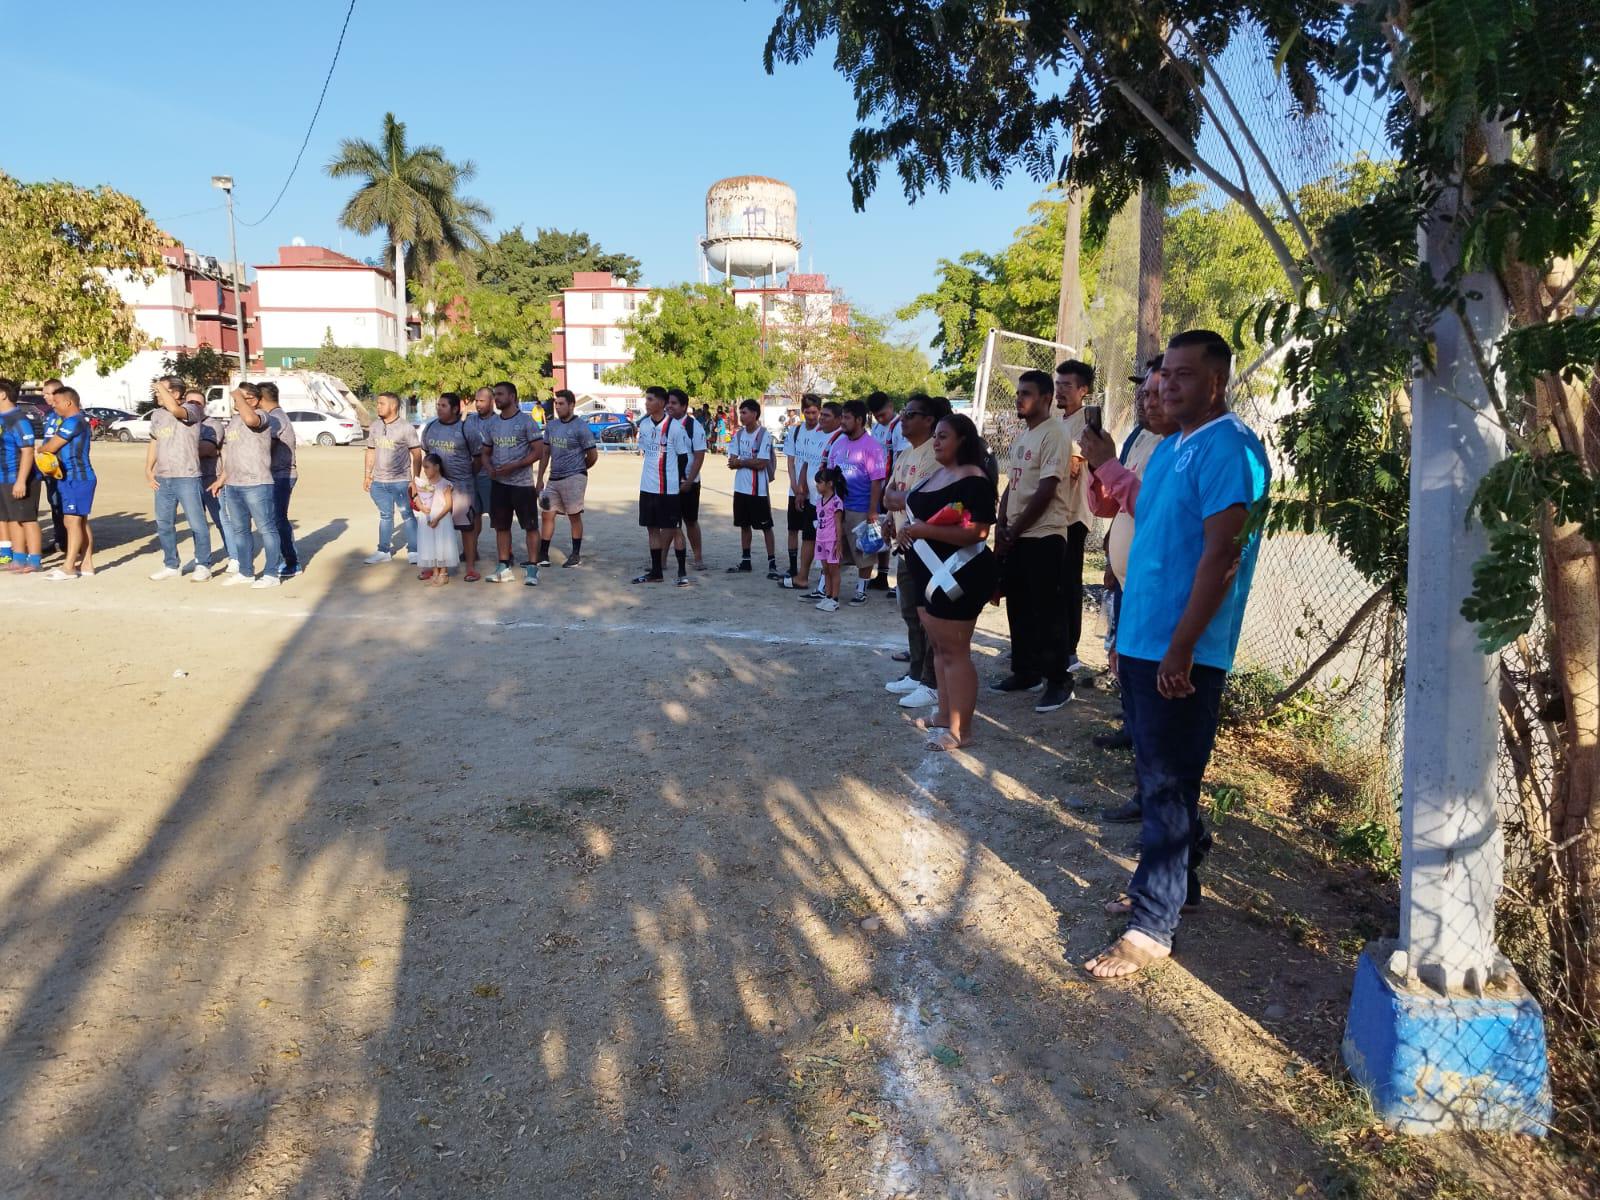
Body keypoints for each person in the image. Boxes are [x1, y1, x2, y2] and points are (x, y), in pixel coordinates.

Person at [1080, 330, 1271, 981]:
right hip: (1140, 641)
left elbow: (1222, 555)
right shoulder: (1169, 450)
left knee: (1166, 783)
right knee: (1160, 776)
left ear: (1216, 381)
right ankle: (1173, 887)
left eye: (1183, 375)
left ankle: (1150, 926)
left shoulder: (1232, 449)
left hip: (1183, 651)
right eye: (1163, 376)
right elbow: (1148, 526)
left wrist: (1181, 648)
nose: (1166, 385)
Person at [896, 414, 999, 752]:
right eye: (936, 436)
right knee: (940, 650)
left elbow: (978, 531)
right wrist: (899, 527)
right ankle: (944, 714)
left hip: (959, 575)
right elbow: (914, 513)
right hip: (928, 575)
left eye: (943, 436)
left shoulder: (974, 480)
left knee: (955, 652)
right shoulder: (937, 473)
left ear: (962, 441)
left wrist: (925, 531)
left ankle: (961, 729)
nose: (936, 441)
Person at [1091, 355, 1172, 779]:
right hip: (1125, 573)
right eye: (1141, 391)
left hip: (1151, 578)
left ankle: (1149, 756)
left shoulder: (1174, 445)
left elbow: (1151, 508)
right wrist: (1096, 466)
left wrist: (1107, 467)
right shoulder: (1140, 436)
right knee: (1125, 655)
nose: (1145, 399)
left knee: (1144, 665)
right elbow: (1114, 500)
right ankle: (1131, 725)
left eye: (1155, 391)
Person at [993, 369, 1076, 713]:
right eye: (1018, 393)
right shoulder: (1023, 435)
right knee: (1019, 607)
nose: (1019, 398)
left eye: (1026, 393)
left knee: (1046, 611)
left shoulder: (1055, 433)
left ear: (1045, 398)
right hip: (1018, 534)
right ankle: (1024, 671)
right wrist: (1002, 523)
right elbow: (1013, 487)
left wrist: (1017, 527)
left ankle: (1059, 680)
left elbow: (1046, 489)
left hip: (1044, 534)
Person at [882, 393, 948, 710]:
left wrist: (900, 499)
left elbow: (915, 500)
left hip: (928, 547)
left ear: (928, 421)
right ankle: (916, 672)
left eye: (911, 413)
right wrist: (888, 515)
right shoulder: (906, 454)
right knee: (910, 612)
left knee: (927, 616)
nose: (903, 419)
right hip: (905, 545)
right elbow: (889, 496)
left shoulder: (933, 455)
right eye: (904, 413)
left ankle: (932, 682)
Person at [211, 381, 282, 589]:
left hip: (256, 483)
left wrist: (240, 398)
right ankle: (246, 571)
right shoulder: (233, 421)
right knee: (240, 530)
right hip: (234, 485)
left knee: (266, 529)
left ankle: (271, 573)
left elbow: (251, 419)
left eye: (242, 397)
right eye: (236, 398)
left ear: (255, 399)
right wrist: (222, 479)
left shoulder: (263, 416)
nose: (236, 401)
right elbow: (230, 454)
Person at [143, 374, 213, 582]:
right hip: (164, 478)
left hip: (187, 476)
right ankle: (171, 564)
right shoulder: (157, 415)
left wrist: (160, 386)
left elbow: (175, 410)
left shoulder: (192, 409)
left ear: (175, 392)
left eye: (161, 391)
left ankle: (203, 564)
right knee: (164, 523)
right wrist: (149, 468)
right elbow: (154, 442)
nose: (157, 394)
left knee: (197, 523)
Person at [823, 398, 888, 606]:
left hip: (862, 507)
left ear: (859, 420)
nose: (842, 421)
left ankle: (861, 590)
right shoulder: (838, 443)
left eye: (847, 418)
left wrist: (872, 511)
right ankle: (828, 587)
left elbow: (877, 481)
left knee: (864, 552)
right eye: (842, 416)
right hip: (839, 506)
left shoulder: (873, 447)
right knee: (836, 547)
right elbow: (831, 474)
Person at [480, 380, 546, 585]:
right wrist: (489, 467)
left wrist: (514, 466)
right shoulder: (493, 424)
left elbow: (538, 451)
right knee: (501, 527)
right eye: (495, 394)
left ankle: (533, 569)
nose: (496, 398)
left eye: (500, 394)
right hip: (500, 485)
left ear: (512, 397)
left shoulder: (526, 422)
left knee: (530, 526)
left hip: (522, 484)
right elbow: (485, 451)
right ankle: (503, 567)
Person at [1054, 359, 1096, 669]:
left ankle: (1070, 650)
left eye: (1067, 385)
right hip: (1051, 515)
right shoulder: (1056, 422)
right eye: (1058, 384)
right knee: (1049, 583)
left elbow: (1082, 462)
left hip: (1074, 513)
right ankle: (1048, 644)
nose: (1060, 390)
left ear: (1083, 390)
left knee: (1068, 582)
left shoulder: (1088, 423)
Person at [632, 385, 692, 585]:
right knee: (652, 529)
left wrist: (682, 478)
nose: (646, 403)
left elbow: (683, 457)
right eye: (646, 399)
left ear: (661, 402)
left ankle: (682, 573)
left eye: (650, 399)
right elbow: (646, 452)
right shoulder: (645, 425)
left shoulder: (675, 427)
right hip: (647, 487)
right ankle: (656, 572)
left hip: (668, 489)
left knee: (675, 529)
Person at [37, 386, 95, 580]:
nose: (54, 406)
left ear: (69, 402)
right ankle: (86, 564)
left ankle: (69, 566)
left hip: (76, 478)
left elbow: (51, 446)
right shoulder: (76, 421)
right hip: (74, 478)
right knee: (80, 521)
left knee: (71, 521)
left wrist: (42, 449)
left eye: (57, 402)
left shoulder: (72, 422)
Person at [536, 388, 598, 567]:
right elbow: (545, 453)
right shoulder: (552, 426)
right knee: (547, 514)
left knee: (574, 515)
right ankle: (543, 554)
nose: (557, 407)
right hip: (554, 478)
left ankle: (575, 554)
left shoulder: (580, 427)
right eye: (556, 403)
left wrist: (579, 470)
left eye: (561, 403)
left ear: (572, 405)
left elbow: (592, 455)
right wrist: (540, 478)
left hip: (574, 478)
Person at [421, 392, 479, 580]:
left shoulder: (466, 429)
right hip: (436, 488)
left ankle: (470, 567)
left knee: (466, 529)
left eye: (443, 406)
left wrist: (466, 477)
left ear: (455, 409)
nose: (439, 408)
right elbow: (427, 455)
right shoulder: (430, 428)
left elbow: (478, 458)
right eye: (438, 405)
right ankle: (432, 566)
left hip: (462, 487)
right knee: (434, 526)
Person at [364, 392, 422, 565]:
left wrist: (415, 480)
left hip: (400, 481)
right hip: (379, 482)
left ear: (393, 406)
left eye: (382, 403)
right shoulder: (375, 426)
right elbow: (371, 450)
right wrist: (367, 475)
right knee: (385, 516)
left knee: (407, 515)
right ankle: (383, 551)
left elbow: (417, 454)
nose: (378, 406)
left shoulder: (405, 428)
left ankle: (414, 550)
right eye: (378, 403)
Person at [725, 398, 780, 577]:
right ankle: (746, 560)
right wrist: (741, 462)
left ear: (755, 414)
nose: (741, 416)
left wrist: (741, 462)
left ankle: (772, 563)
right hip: (741, 488)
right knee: (744, 525)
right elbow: (732, 461)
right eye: (741, 413)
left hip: (758, 489)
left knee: (766, 526)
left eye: (744, 412)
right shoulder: (739, 434)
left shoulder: (764, 434)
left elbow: (762, 463)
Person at [778, 394, 826, 591]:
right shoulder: (795, 431)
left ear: (820, 411)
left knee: (812, 532)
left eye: (814, 412)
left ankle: (814, 574)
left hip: (814, 492)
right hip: (796, 488)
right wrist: (795, 485)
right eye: (807, 412)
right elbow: (791, 461)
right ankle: (793, 567)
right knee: (793, 529)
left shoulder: (823, 432)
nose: (811, 415)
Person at [257, 381, 299, 579]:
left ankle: (291, 562)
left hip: (280, 476)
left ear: (261, 399)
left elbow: (266, 446)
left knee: (277, 520)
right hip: (278, 475)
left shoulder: (274, 418)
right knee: (277, 519)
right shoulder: (277, 416)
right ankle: (289, 557)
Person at [0, 378, 42, 574]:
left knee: (27, 519)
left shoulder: (18, 419)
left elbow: (27, 451)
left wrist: (21, 481)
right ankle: (18, 558)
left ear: (3, 394)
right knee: (11, 519)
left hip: (20, 477)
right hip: (3, 478)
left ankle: (34, 561)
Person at [665, 389, 709, 570]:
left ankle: (698, 558)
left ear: (684, 406)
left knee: (690, 521)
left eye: (674, 403)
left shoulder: (694, 427)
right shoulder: (664, 425)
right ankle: (661, 560)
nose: (670, 406)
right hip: (668, 481)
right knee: (668, 522)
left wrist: (689, 481)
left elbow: (699, 456)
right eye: (668, 402)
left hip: (688, 482)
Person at [867, 391, 905, 592]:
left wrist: (893, 489)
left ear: (891, 406)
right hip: (879, 487)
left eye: (882, 414)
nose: (880, 419)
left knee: (898, 532)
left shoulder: (899, 427)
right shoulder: (876, 428)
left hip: (894, 488)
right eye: (876, 415)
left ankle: (901, 582)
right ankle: (882, 575)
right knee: (883, 531)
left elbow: (900, 461)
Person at [462, 386, 497, 580]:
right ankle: (471, 551)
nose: (478, 404)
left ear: (491, 401)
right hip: (470, 475)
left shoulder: (498, 422)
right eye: (476, 400)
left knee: (497, 515)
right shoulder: (469, 421)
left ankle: (505, 552)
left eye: (482, 401)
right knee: (472, 515)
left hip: (491, 476)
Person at [197, 397, 233, 570]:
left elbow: (207, 448)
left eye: (198, 402)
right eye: (189, 402)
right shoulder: (182, 425)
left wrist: (180, 447)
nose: (194, 406)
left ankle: (234, 557)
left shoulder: (213, 425)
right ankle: (202, 562)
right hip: (189, 479)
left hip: (212, 478)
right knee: (197, 523)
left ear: (204, 405)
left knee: (222, 520)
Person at [412, 452, 456, 586]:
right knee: (431, 544)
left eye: (427, 467)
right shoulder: (423, 484)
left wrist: (437, 518)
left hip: (441, 518)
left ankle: (443, 572)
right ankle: (435, 571)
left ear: (436, 467)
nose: (424, 470)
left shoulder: (444, 484)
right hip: (428, 517)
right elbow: (417, 499)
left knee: (442, 544)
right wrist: (421, 507)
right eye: (424, 467)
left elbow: (448, 504)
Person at [811, 465, 846, 612]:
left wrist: (839, 542)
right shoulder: (819, 502)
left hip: (832, 540)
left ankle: (835, 598)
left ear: (830, 484)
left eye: (820, 482)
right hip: (821, 539)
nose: (817, 486)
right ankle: (828, 595)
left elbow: (838, 524)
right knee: (825, 569)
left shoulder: (837, 502)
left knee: (834, 570)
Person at [39, 378, 66, 558]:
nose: (45, 397)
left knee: (65, 507)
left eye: (48, 393)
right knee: (54, 505)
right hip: (49, 470)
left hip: (63, 470)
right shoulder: (49, 416)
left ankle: (71, 542)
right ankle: (59, 540)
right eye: (44, 394)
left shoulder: (66, 417)